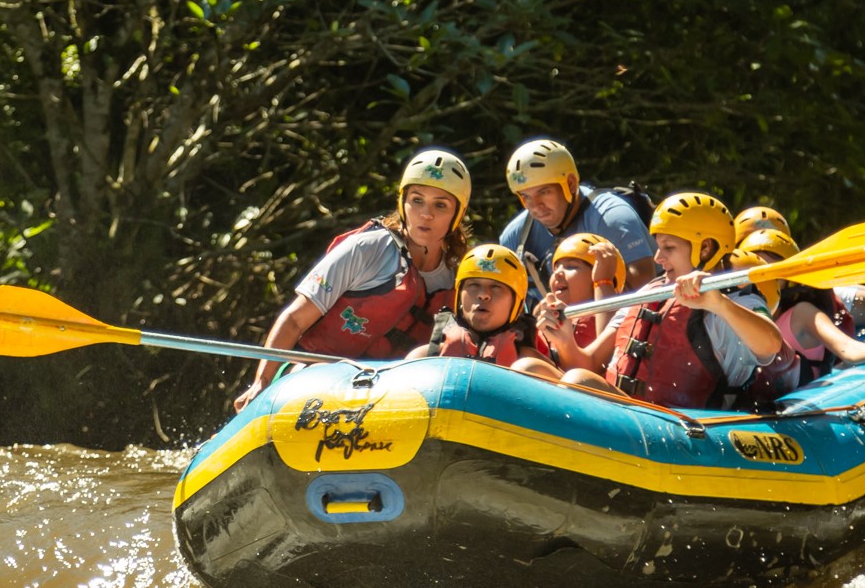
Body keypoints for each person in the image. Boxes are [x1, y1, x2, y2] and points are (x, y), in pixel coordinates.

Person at [233, 148, 472, 409]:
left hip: (387, 393)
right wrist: (262, 381)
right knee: (327, 380)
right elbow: (294, 319)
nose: (426, 214)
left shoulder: (459, 276)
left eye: (440, 205)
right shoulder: (366, 248)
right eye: (417, 200)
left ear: (457, 214)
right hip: (311, 372)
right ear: (402, 202)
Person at [535, 193, 790, 409]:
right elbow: (590, 363)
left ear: (705, 248)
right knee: (531, 368)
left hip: (680, 426)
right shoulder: (653, 290)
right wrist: (564, 339)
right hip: (627, 410)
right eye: (658, 247)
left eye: (669, 248)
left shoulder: (734, 299)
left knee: (578, 381)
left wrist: (718, 304)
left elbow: (771, 345)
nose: (657, 258)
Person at [732, 227, 865, 385]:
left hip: (801, 407)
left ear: (789, 281)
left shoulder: (801, 315)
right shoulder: (735, 314)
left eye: (768, 273)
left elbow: (845, 346)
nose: (758, 283)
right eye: (751, 273)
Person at [499, 139, 656, 296]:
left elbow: (644, 288)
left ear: (571, 184)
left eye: (544, 192)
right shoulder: (515, 237)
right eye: (525, 196)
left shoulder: (612, 217)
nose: (535, 205)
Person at [408, 244, 545, 366]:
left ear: (517, 303)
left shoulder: (533, 365)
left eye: (496, 287)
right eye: (473, 284)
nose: (483, 294)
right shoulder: (423, 358)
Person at [535, 232, 625, 357]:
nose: (558, 273)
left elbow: (608, 355)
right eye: (556, 268)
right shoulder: (548, 316)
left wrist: (603, 281)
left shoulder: (614, 317)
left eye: (571, 267)